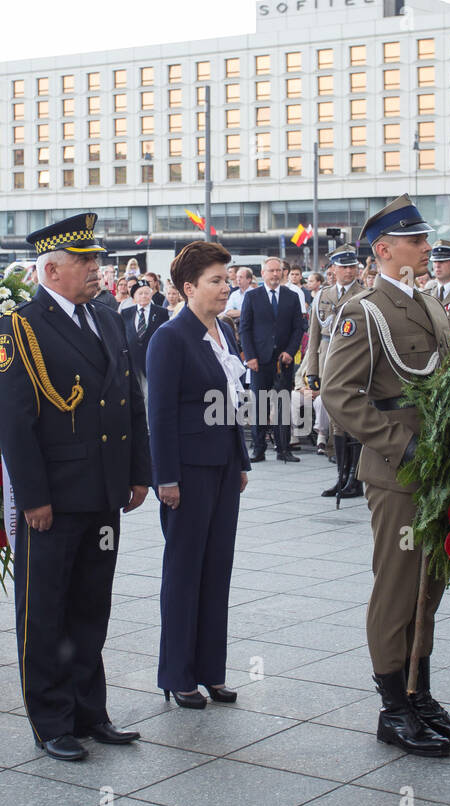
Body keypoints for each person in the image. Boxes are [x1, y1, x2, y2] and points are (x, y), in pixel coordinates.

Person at [321, 194, 450, 757]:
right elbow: (340, 395)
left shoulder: (432, 303)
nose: (426, 248)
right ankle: (393, 706)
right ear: (385, 250)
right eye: (415, 241)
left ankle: (419, 693)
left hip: (438, 466)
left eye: (426, 240)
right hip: (398, 472)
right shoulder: (363, 310)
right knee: (397, 588)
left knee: (428, 586)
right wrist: (405, 445)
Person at [0, 213, 151, 761]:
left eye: (97, 261)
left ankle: (90, 710)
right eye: (86, 262)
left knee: (91, 606)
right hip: (54, 499)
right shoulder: (20, 327)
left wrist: (137, 471)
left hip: (102, 492)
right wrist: (33, 496)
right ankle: (51, 718)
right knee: (46, 610)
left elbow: (129, 400)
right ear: (52, 269)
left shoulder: (105, 318)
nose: (97, 270)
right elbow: (12, 420)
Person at [147, 241, 250, 708]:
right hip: (186, 473)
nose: (225, 287)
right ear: (189, 288)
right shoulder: (171, 337)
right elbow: (160, 412)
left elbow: (230, 403)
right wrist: (165, 476)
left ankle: (211, 670)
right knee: (185, 572)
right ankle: (177, 673)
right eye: (215, 280)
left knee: (217, 570)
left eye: (227, 280)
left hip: (224, 467)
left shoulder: (224, 333)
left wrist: (241, 460)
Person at [307, 245, 365, 491]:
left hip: (354, 362)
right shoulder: (323, 295)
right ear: (333, 269)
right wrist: (312, 371)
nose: (349, 271)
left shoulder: (366, 293)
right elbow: (314, 335)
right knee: (335, 421)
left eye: (353, 266)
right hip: (328, 360)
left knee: (353, 419)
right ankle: (342, 477)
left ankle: (355, 478)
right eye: (344, 266)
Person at [239, 256, 304, 463]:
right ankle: (258, 449)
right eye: (271, 271)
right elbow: (245, 328)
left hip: (283, 360)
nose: (276, 274)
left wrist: (290, 351)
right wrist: (250, 357)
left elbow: (298, 328)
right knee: (260, 405)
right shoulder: (252, 296)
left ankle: (283, 449)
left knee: (283, 404)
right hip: (259, 360)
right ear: (263, 273)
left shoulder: (291, 296)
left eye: (279, 270)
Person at [120, 281, 169, 398]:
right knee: (134, 395)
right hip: (132, 360)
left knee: (150, 395)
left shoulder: (161, 312)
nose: (143, 296)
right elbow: (122, 335)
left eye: (146, 293)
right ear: (134, 297)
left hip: (152, 359)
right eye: (140, 293)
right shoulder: (126, 313)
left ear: (151, 294)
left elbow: (165, 336)